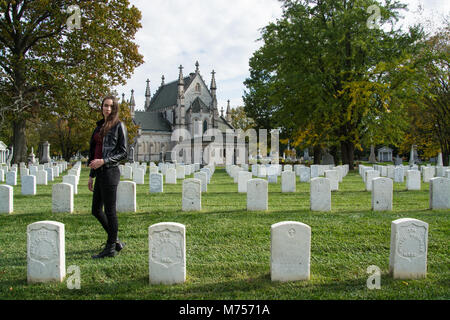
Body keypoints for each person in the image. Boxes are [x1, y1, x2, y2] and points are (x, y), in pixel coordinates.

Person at [88, 95, 128, 259]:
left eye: (111, 106)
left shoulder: (119, 125)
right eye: (105, 106)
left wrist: (104, 161)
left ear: (115, 108)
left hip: (110, 172)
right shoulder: (98, 127)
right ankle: (116, 240)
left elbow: (124, 152)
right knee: (96, 210)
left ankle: (110, 247)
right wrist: (91, 175)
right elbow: (94, 152)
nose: (108, 109)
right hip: (99, 173)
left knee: (110, 211)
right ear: (102, 107)